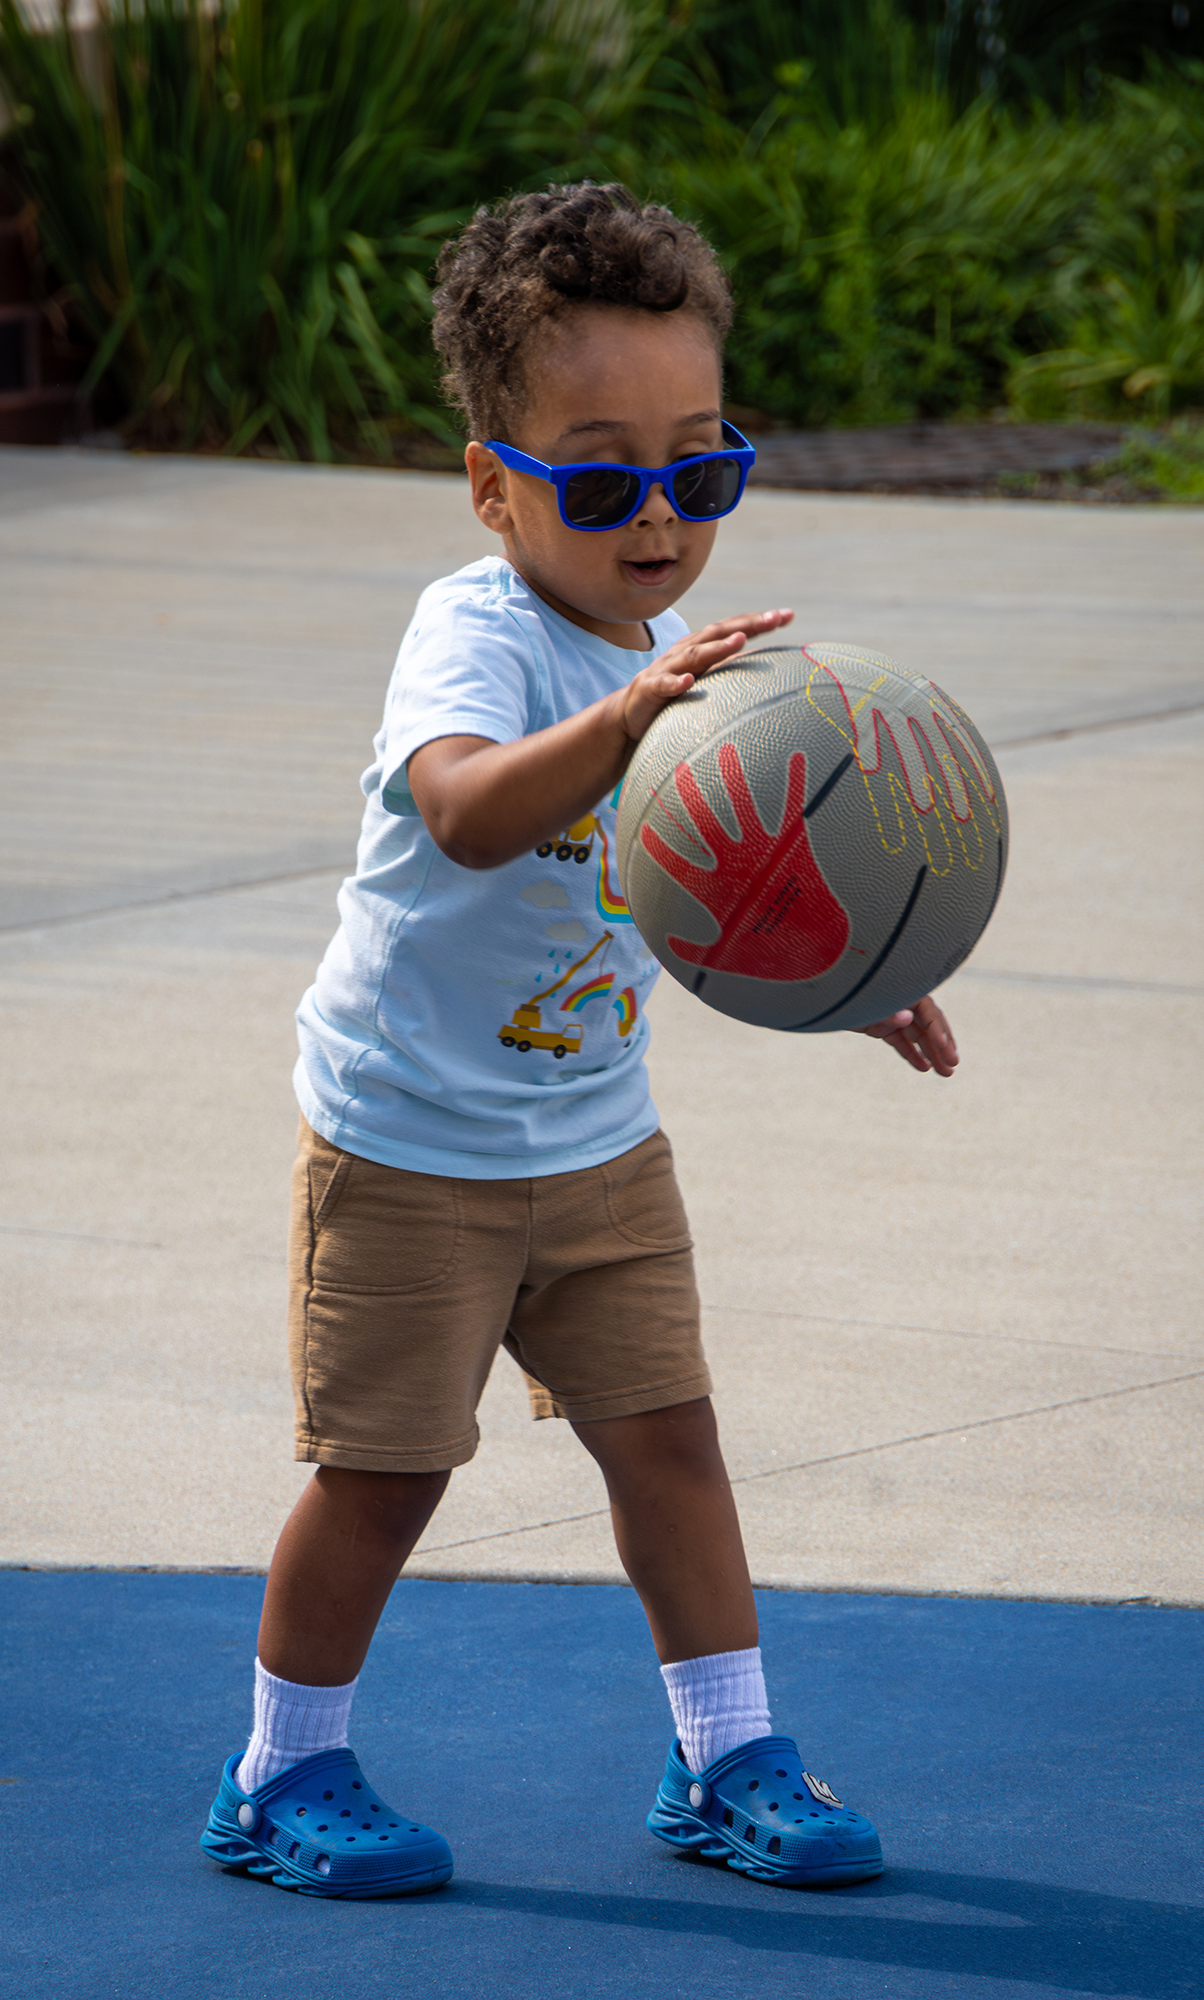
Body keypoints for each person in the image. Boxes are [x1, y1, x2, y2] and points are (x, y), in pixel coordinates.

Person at [201, 182, 958, 1900]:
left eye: (700, 471)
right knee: (384, 1477)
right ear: (492, 485)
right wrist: (624, 719)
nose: (659, 522)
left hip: (598, 1144)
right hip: (408, 1150)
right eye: (603, 477)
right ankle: (278, 1774)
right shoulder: (477, 636)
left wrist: (845, 966)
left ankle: (726, 1757)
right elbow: (468, 815)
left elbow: (698, 893)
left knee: (669, 1439)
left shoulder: (676, 668)